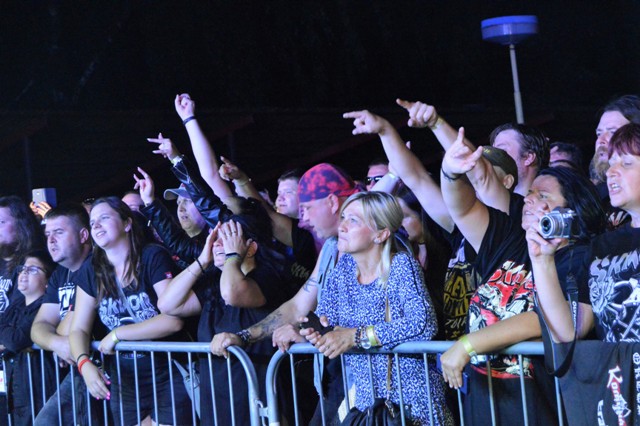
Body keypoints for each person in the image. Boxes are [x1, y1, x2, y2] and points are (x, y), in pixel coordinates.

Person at [438, 128, 606, 425]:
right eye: (529, 193)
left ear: (572, 210)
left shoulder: (583, 257)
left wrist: (469, 344)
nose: (529, 200)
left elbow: (560, 320)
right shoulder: (511, 239)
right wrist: (450, 174)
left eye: (543, 196)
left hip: (542, 409)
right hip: (486, 405)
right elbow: (463, 209)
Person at [302, 192, 452, 425]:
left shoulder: (401, 265)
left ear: (380, 234)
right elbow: (326, 318)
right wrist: (308, 330)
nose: (342, 226)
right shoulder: (343, 270)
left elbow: (423, 324)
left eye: (353, 220)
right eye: (343, 217)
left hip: (412, 401)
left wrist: (357, 336)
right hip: (368, 403)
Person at [157, 201, 293, 426]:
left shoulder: (267, 277)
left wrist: (232, 257)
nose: (218, 243)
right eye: (216, 238)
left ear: (251, 248)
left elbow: (232, 294)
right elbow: (167, 305)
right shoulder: (215, 284)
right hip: (219, 402)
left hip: (257, 402)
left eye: (227, 238)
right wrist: (202, 260)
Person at [69, 197, 192, 426]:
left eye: (104, 218)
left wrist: (118, 334)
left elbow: (173, 320)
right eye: (92, 222)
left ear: (127, 223)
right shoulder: (91, 269)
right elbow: (78, 329)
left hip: (167, 371)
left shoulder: (152, 256)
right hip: (125, 378)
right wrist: (83, 363)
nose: (96, 225)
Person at [31, 204, 97, 425]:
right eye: (48, 234)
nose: (51, 240)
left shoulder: (97, 265)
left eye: (59, 232)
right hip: (80, 368)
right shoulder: (60, 274)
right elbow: (38, 326)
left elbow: (72, 322)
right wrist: (58, 344)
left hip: (107, 367)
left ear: (83, 235)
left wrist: (57, 336)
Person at [1, 250, 56, 426]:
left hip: (39, 389)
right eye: (23, 269)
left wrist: (7, 339)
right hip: (17, 390)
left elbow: (16, 340)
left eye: (32, 270)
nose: (24, 273)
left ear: (47, 281)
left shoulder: (45, 308)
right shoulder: (16, 305)